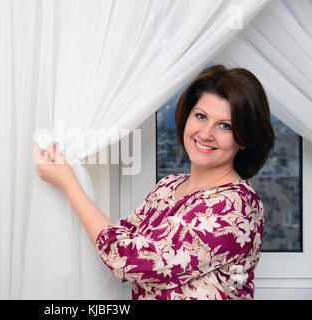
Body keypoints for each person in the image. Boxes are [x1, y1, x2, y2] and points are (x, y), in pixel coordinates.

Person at [33, 64, 275, 300]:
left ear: (244, 138)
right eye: (201, 116)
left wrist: (70, 184)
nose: (206, 133)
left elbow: (128, 260)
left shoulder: (236, 206)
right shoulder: (168, 187)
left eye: (225, 125)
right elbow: (116, 243)